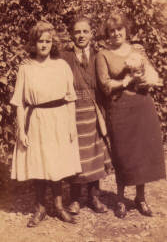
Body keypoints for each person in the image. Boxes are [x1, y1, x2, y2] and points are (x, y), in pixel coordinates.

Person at [10, 20, 82, 227]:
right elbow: (19, 103)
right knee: (39, 162)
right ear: (34, 43)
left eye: (47, 41)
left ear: (53, 43)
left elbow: (70, 98)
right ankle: (40, 207)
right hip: (37, 120)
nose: (43, 45)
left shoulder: (62, 66)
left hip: (59, 119)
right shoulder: (26, 68)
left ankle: (59, 206)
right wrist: (21, 130)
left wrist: (71, 126)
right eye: (40, 41)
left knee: (57, 164)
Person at [96, 13, 166, 218]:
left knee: (141, 153)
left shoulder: (137, 50)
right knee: (123, 155)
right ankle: (119, 199)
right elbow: (105, 86)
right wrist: (126, 80)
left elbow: (150, 75)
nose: (116, 33)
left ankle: (141, 198)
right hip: (119, 109)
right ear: (107, 34)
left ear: (126, 30)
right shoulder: (103, 55)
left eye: (120, 29)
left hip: (142, 105)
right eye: (112, 31)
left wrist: (145, 80)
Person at [61, 16, 111, 214]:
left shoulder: (100, 56)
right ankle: (74, 199)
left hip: (94, 109)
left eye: (85, 31)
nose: (81, 35)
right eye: (77, 32)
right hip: (71, 109)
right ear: (72, 34)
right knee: (75, 154)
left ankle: (94, 197)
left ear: (91, 34)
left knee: (94, 153)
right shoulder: (64, 56)